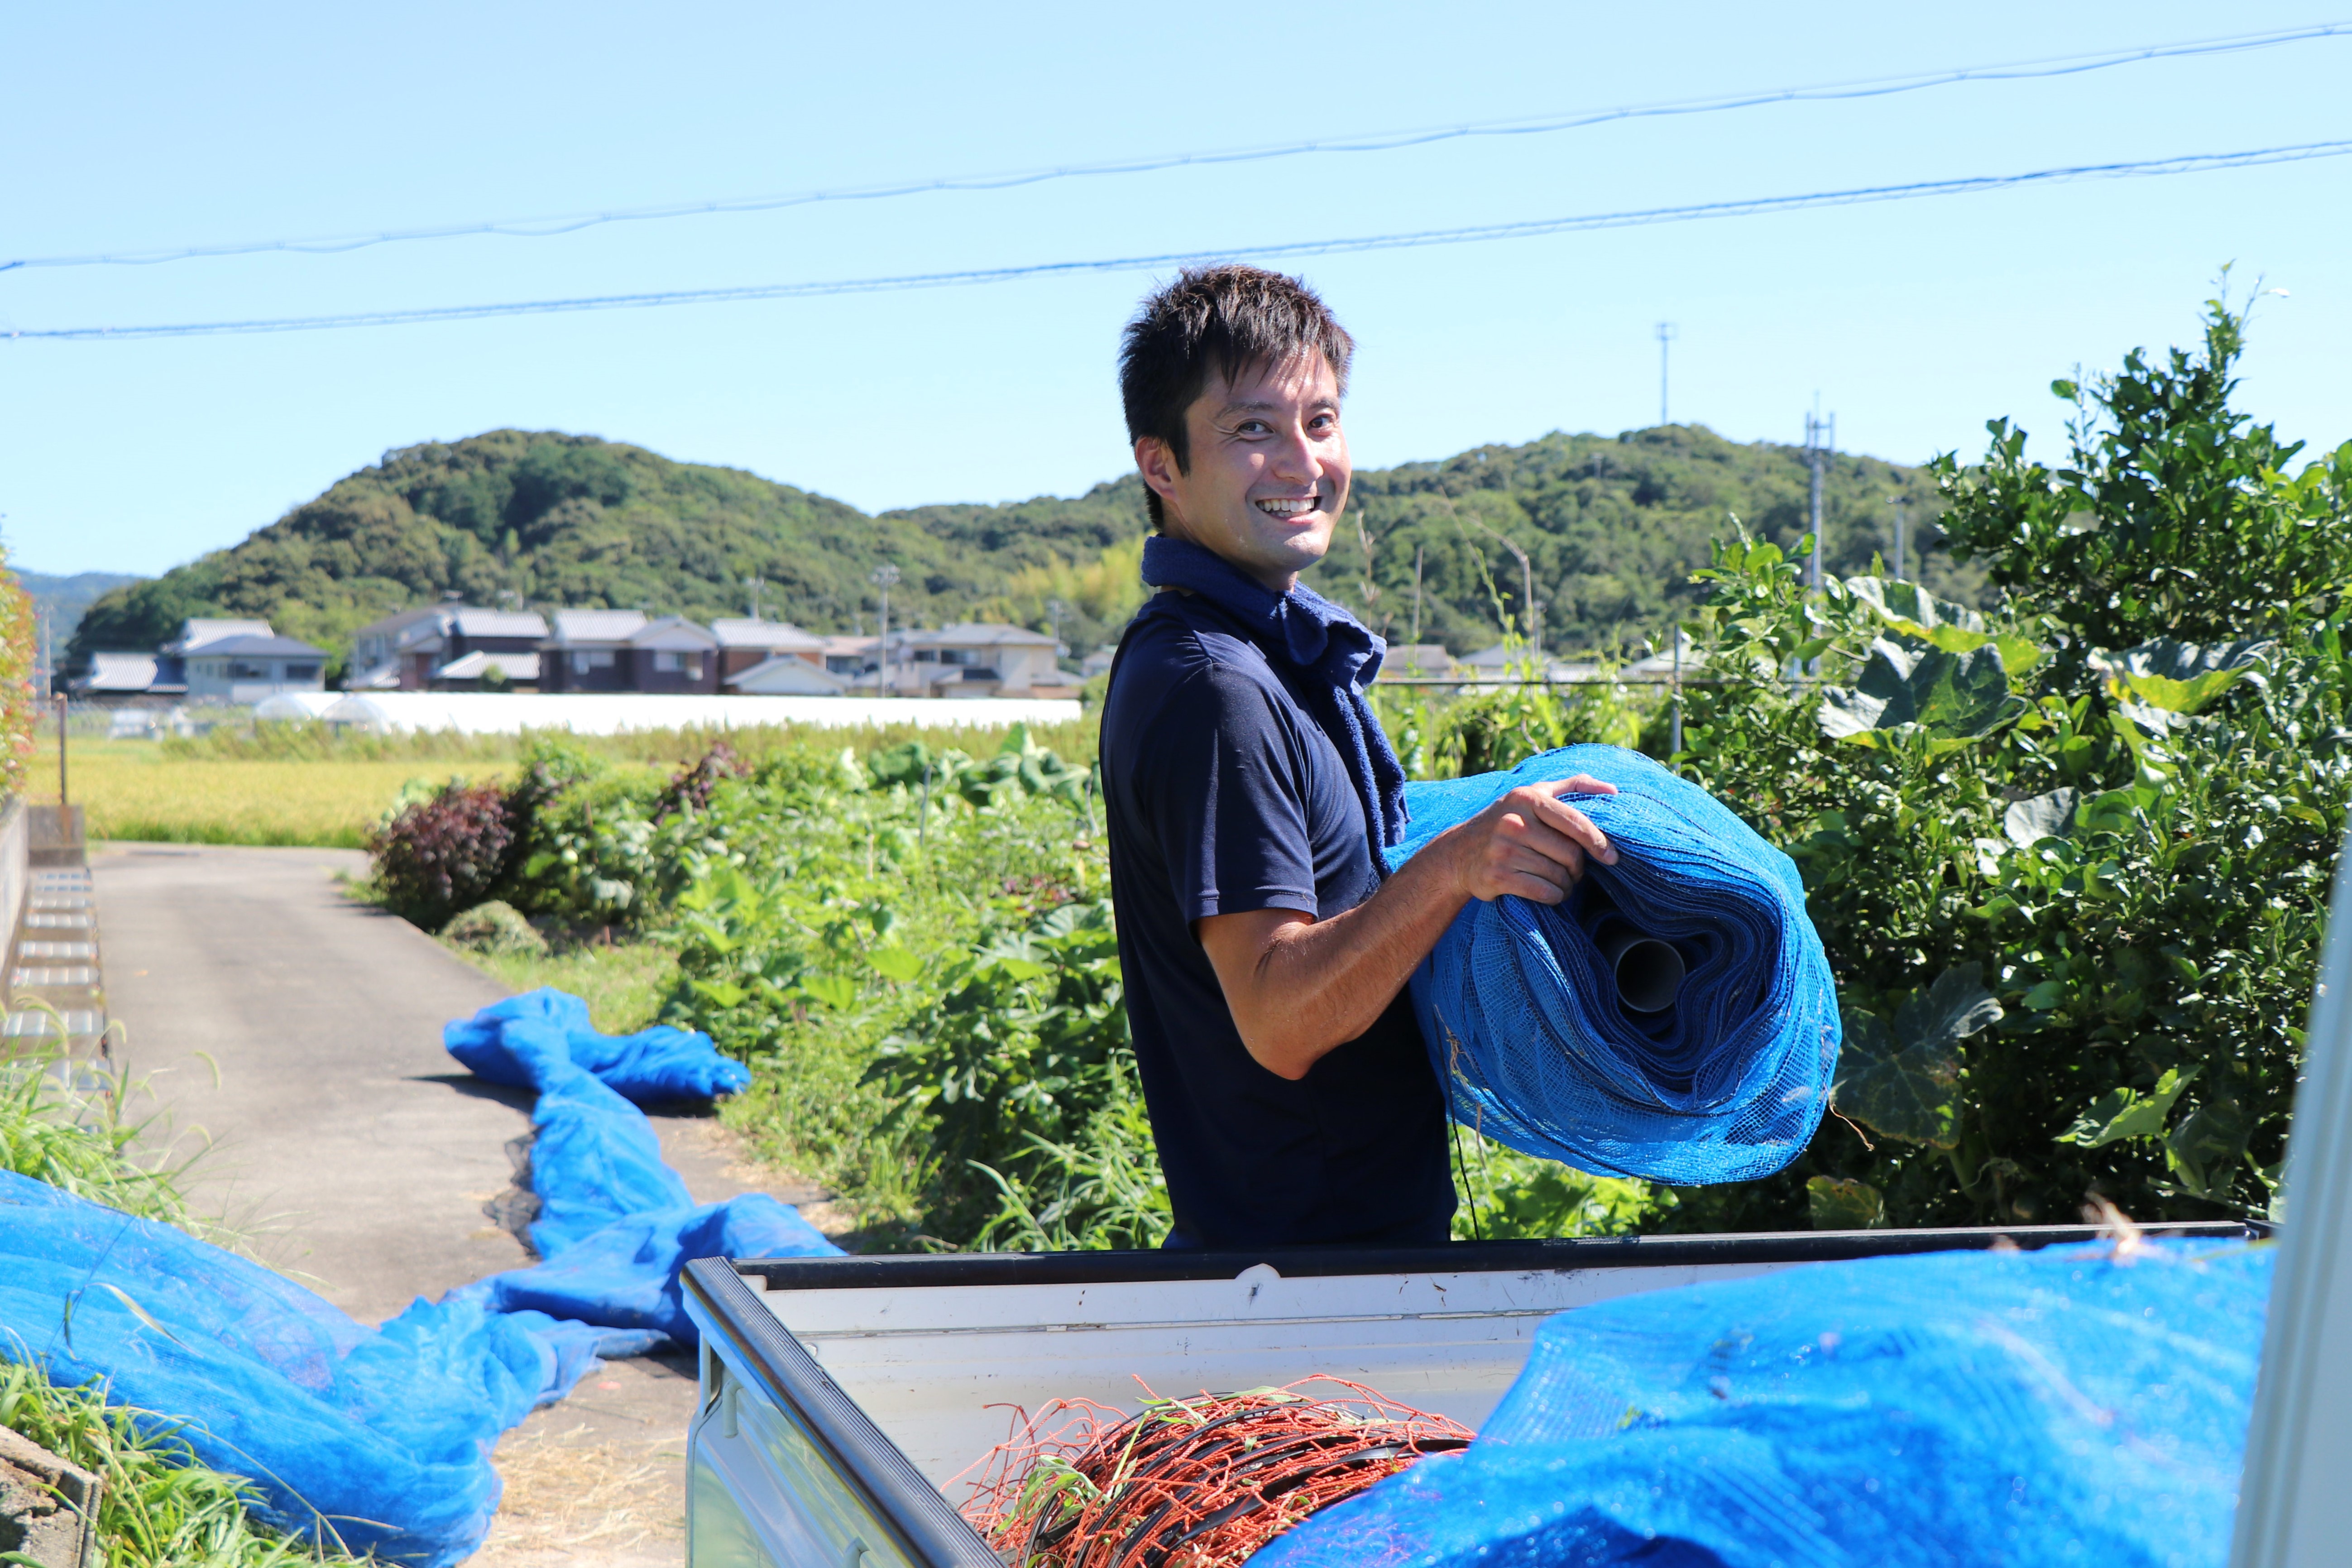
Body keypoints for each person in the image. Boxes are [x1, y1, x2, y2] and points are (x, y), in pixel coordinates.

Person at [1098, 264, 1620, 1250]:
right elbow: (1280, 1018)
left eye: (1322, 422)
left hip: (1333, 1257)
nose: (1301, 462)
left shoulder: (1262, 656)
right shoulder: (1218, 687)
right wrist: (1456, 867)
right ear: (1161, 466)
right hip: (1311, 1284)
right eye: (1253, 430)